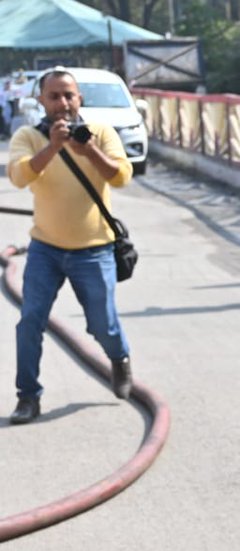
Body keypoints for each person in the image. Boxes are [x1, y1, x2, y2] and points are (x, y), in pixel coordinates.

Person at [8, 68, 134, 424]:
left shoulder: (101, 133)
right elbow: (18, 176)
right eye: (54, 96)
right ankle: (28, 397)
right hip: (46, 248)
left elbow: (122, 176)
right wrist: (53, 146)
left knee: (102, 325)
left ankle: (119, 358)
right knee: (30, 321)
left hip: (93, 249)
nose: (62, 103)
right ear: (41, 101)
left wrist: (89, 149)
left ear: (80, 99)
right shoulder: (29, 137)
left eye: (69, 95)